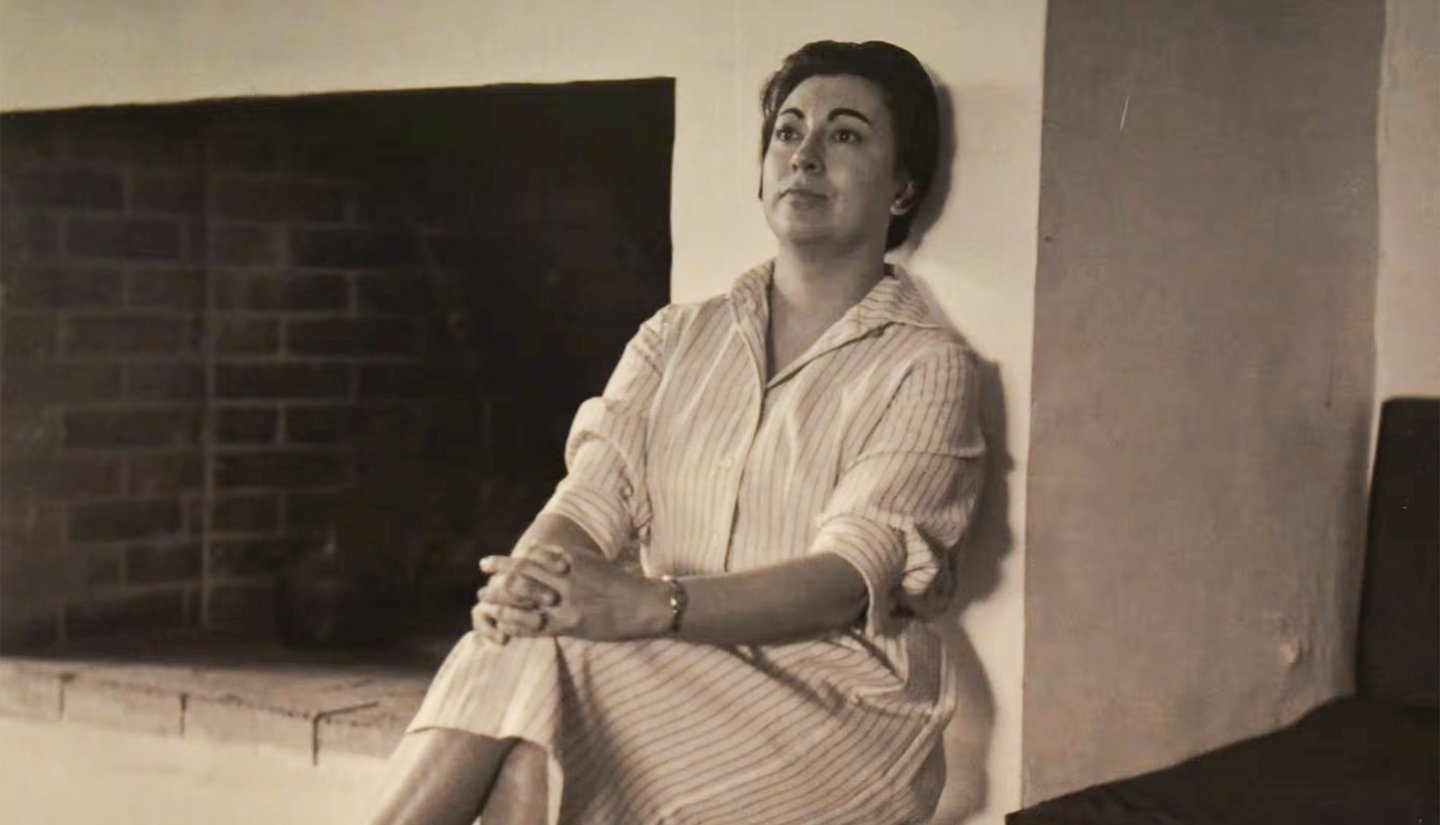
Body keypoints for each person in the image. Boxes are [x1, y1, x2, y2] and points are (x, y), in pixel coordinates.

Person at [367, 39, 986, 825]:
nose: (804, 155)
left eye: (845, 134)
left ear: (901, 188)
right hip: (671, 666)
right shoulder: (674, 338)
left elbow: (843, 579)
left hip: (838, 708)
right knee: (522, 670)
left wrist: (646, 603)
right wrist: (529, 586)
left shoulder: (926, 366)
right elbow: (587, 502)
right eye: (788, 131)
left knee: (544, 699)